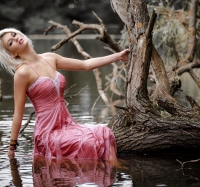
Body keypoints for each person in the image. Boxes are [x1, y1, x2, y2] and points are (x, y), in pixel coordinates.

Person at [0, 28, 130, 160]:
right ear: (13, 54)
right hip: (48, 132)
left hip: (67, 125)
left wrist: (118, 56)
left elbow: (86, 65)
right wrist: (12, 146)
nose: (16, 38)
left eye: (14, 34)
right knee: (90, 142)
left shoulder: (51, 58)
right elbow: (18, 113)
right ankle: (113, 169)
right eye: (11, 43)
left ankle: (111, 170)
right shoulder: (22, 73)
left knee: (104, 133)